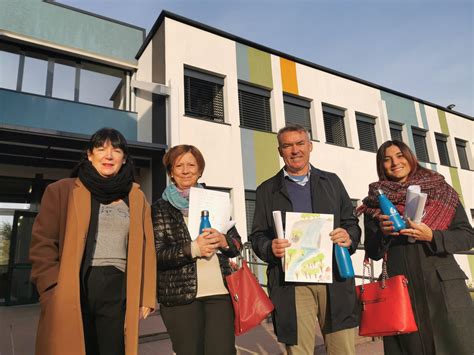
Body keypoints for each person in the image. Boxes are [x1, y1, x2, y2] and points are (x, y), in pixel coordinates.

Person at [29, 128, 156, 355]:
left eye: (116, 150)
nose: (108, 156)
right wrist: (51, 288)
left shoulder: (136, 197)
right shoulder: (61, 190)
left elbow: (147, 248)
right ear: (89, 155)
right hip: (74, 286)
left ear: (124, 158)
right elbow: (43, 243)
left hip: (119, 288)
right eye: (101, 149)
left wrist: (146, 295)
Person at [250, 124, 361, 355]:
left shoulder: (332, 182)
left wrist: (348, 236)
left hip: (334, 278)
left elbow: (351, 223)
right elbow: (257, 236)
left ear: (310, 147)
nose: (295, 150)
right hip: (291, 283)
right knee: (299, 351)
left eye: (300, 143)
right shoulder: (266, 190)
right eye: (287, 145)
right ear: (280, 151)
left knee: (343, 349)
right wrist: (270, 247)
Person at [358, 140, 474, 355]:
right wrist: (383, 234)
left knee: (456, 346)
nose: (395, 163)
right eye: (387, 159)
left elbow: (467, 235)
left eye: (400, 156)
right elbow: (373, 252)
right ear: (380, 166)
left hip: (443, 286)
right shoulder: (374, 202)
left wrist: (433, 236)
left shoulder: (441, 191)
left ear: (410, 157)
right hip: (400, 287)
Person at [152, 144, 242, 355]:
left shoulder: (216, 202)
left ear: (200, 170)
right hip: (180, 296)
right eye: (179, 165)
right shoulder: (158, 209)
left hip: (220, 293)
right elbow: (156, 255)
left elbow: (236, 245)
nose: (186, 170)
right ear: (171, 172)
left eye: (191, 165)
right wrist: (193, 249)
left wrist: (223, 240)